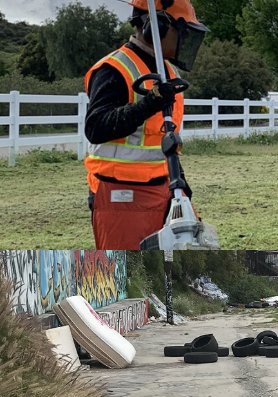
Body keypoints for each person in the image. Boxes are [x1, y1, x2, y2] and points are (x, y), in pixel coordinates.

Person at [83, 0, 207, 250]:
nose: (185, 40)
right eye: (182, 32)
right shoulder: (114, 69)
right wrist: (149, 102)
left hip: (164, 188)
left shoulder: (168, 73)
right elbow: (96, 127)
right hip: (121, 193)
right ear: (157, 26)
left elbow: (164, 135)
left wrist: (180, 182)